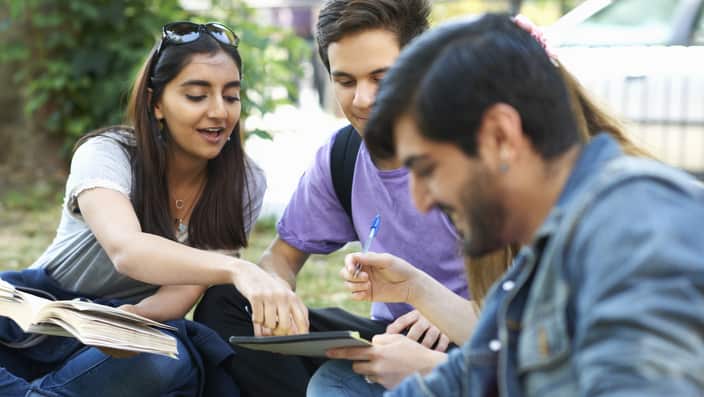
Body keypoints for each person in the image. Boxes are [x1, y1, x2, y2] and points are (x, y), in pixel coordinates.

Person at [329, 13, 704, 396]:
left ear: (501, 136)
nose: (421, 201)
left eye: (428, 169)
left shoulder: (636, 231)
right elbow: (466, 377)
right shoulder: (541, 257)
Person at [193, 1, 474, 396]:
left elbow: (542, 291)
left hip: (478, 338)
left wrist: (458, 312)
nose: (362, 99)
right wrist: (273, 293)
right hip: (388, 337)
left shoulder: (477, 148)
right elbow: (280, 258)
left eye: (382, 77)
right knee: (225, 305)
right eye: (346, 81)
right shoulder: (343, 156)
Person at [0, 21, 282, 396]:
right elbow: (127, 250)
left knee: (164, 357)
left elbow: (181, 293)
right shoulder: (107, 153)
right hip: (43, 315)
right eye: (197, 96)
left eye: (231, 96)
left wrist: (132, 320)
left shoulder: (244, 182)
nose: (219, 111)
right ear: (156, 103)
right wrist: (237, 268)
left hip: (126, 330)